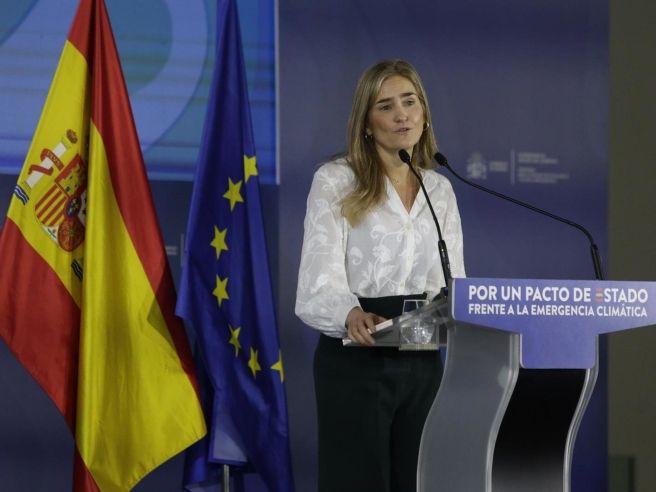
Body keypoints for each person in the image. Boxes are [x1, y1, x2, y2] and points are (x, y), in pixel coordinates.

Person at [295, 59, 466, 492]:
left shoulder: (439, 189)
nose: (401, 115)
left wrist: (457, 309)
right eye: (386, 106)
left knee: (417, 481)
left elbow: (454, 281)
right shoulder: (336, 180)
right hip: (358, 352)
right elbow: (317, 277)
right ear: (367, 124)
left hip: (422, 355)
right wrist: (348, 314)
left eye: (410, 102)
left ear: (424, 113)